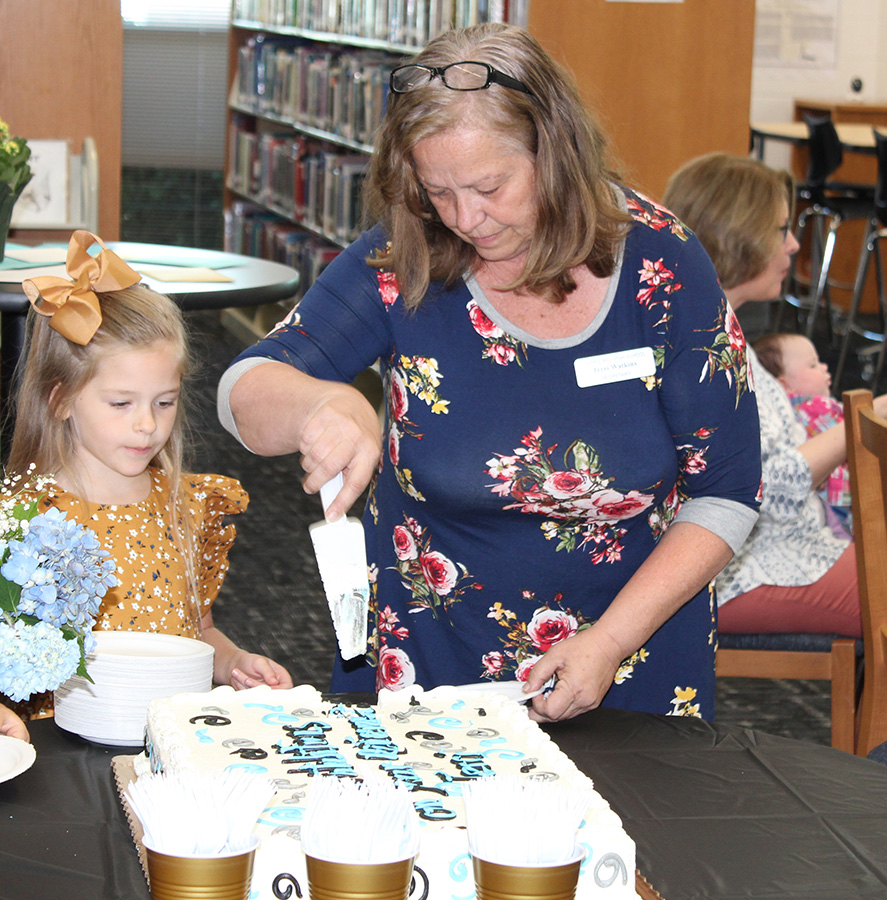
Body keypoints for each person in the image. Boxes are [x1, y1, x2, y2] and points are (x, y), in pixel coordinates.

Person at [218, 25, 761, 723]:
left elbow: (728, 492)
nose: (467, 218)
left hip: (633, 661)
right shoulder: (407, 257)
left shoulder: (662, 264)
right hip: (431, 673)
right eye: (437, 189)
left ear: (555, 153)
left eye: (489, 186)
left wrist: (610, 643)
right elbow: (242, 391)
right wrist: (321, 406)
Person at [3, 230, 292, 720]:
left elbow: (197, 632)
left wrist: (233, 663)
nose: (147, 424)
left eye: (165, 402)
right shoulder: (22, 519)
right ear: (61, 400)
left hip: (169, 742)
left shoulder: (188, 505)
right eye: (121, 404)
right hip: (64, 752)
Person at [663, 152, 887, 640]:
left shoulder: (719, 332)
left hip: (772, 547)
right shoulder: (705, 346)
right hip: (745, 566)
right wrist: (863, 422)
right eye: (778, 230)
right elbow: (764, 490)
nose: (793, 245)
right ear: (736, 235)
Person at [753, 331, 852, 529]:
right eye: (813, 365)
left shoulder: (779, 414)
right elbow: (859, 442)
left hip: (823, 506)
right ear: (784, 385)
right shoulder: (816, 408)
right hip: (844, 504)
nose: (824, 367)